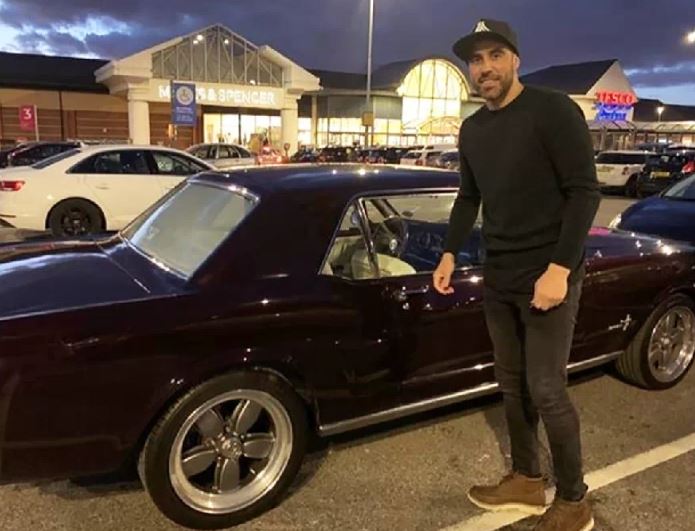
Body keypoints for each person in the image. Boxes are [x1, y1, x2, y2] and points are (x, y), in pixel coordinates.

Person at [432, 18, 600, 531]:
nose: (484, 67)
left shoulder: (553, 110)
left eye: (494, 55)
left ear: (515, 59)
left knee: (546, 388)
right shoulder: (473, 129)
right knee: (511, 383)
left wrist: (559, 270)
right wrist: (449, 252)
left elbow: (584, 192)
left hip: (547, 274)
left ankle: (573, 501)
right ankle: (527, 480)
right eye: (475, 59)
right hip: (499, 273)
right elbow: (469, 197)